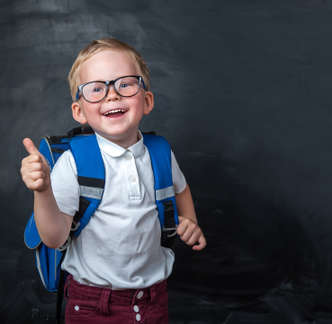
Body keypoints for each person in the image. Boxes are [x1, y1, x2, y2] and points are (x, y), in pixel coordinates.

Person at [20, 38, 206, 323]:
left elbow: (181, 188)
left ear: (147, 101)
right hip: (93, 304)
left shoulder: (160, 153)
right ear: (79, 111)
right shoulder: (74, 162)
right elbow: (55, 237)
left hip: (154, 299)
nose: (111, 95)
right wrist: (43, 190)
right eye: (96, 89)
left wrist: (190, 221)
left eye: (125, 84)